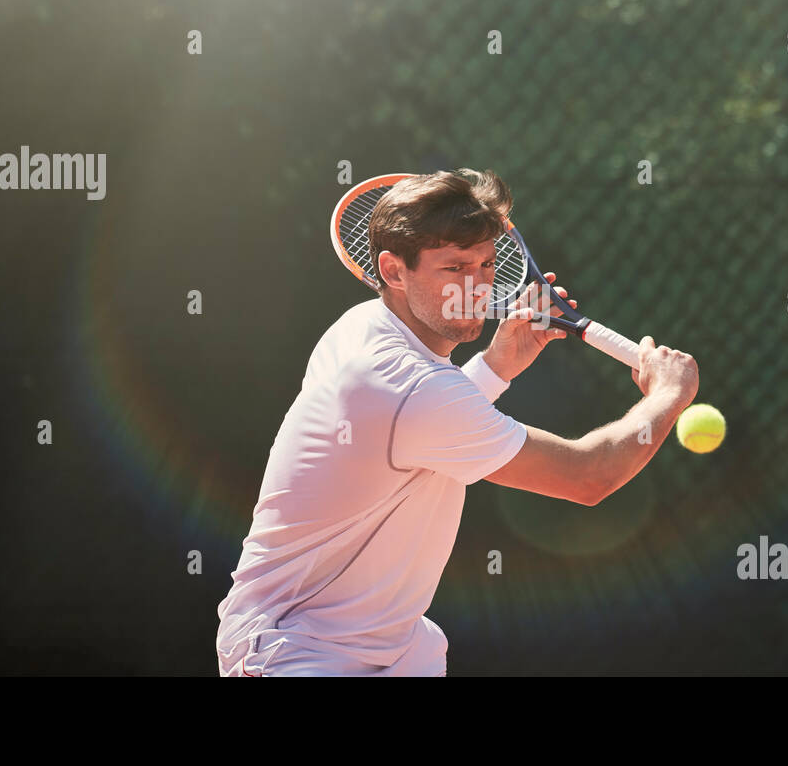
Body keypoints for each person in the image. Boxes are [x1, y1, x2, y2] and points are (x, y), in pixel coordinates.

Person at [215, 169, 698, 676]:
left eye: (487, 264)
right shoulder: (406, 383)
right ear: (394, 271)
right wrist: (667, 395)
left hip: (394, 649)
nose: (477, 286)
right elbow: (588, 477)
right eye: (455, 268)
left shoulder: (364, 326)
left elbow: (415, 435)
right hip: (294, 651)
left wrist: (496, 365)